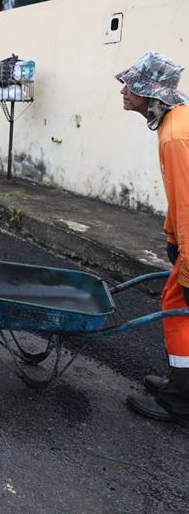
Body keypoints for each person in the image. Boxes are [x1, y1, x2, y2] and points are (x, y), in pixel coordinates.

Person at [118, 52, 189, 427]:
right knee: (176, 304)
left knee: (177, 306)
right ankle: (181, 384)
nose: (124, 91)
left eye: (131, 86)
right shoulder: (174, 122)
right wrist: (171, 236)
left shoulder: (176, 135)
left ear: (150, 93)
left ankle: (180, 399)